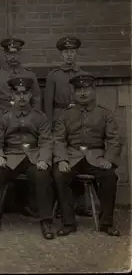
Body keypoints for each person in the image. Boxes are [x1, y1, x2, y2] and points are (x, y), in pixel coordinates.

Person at [0, 77, 55, 240]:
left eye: (25, 93)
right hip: (11, 156)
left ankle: (46, 221)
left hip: (33, 156)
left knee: (42, 175)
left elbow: (46, 141)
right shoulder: (4, 117)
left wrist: (44, 159)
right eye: (18, 93)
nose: (21, 97)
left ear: (30, 96)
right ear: (12, 96)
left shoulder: (40, 117)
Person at [53, 74, 122, 237]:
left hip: (97, 157)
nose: (82, 93)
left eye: (86, 89)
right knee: (59, 175)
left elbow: (114, 139)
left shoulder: (105, 114)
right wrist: (62, 159)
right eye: (78, 90)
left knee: (110, 177)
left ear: (93, 90)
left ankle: (106, 223)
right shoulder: (65, 114)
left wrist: (109, 159)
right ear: (74, 93)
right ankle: (68, 222)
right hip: (72, 156)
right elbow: (58, 139)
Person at [0, 38, 41, 119]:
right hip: (1, 114)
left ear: (20, 55)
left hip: (25, 115)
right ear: (4, 55)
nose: (13, 57)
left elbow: (36, 99)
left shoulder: (30, 75)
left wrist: (36, 118)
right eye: (9, 54)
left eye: (16, 54)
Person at [44, 36, 86, 123]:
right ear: (61, 54)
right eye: (65, 52)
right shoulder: (53, 75)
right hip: (59, 116)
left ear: (77, 53)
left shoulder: (83, 75)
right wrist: (49, 123)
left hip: (78, 116)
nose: (69, 55)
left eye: (72, 51)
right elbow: (48, 103)